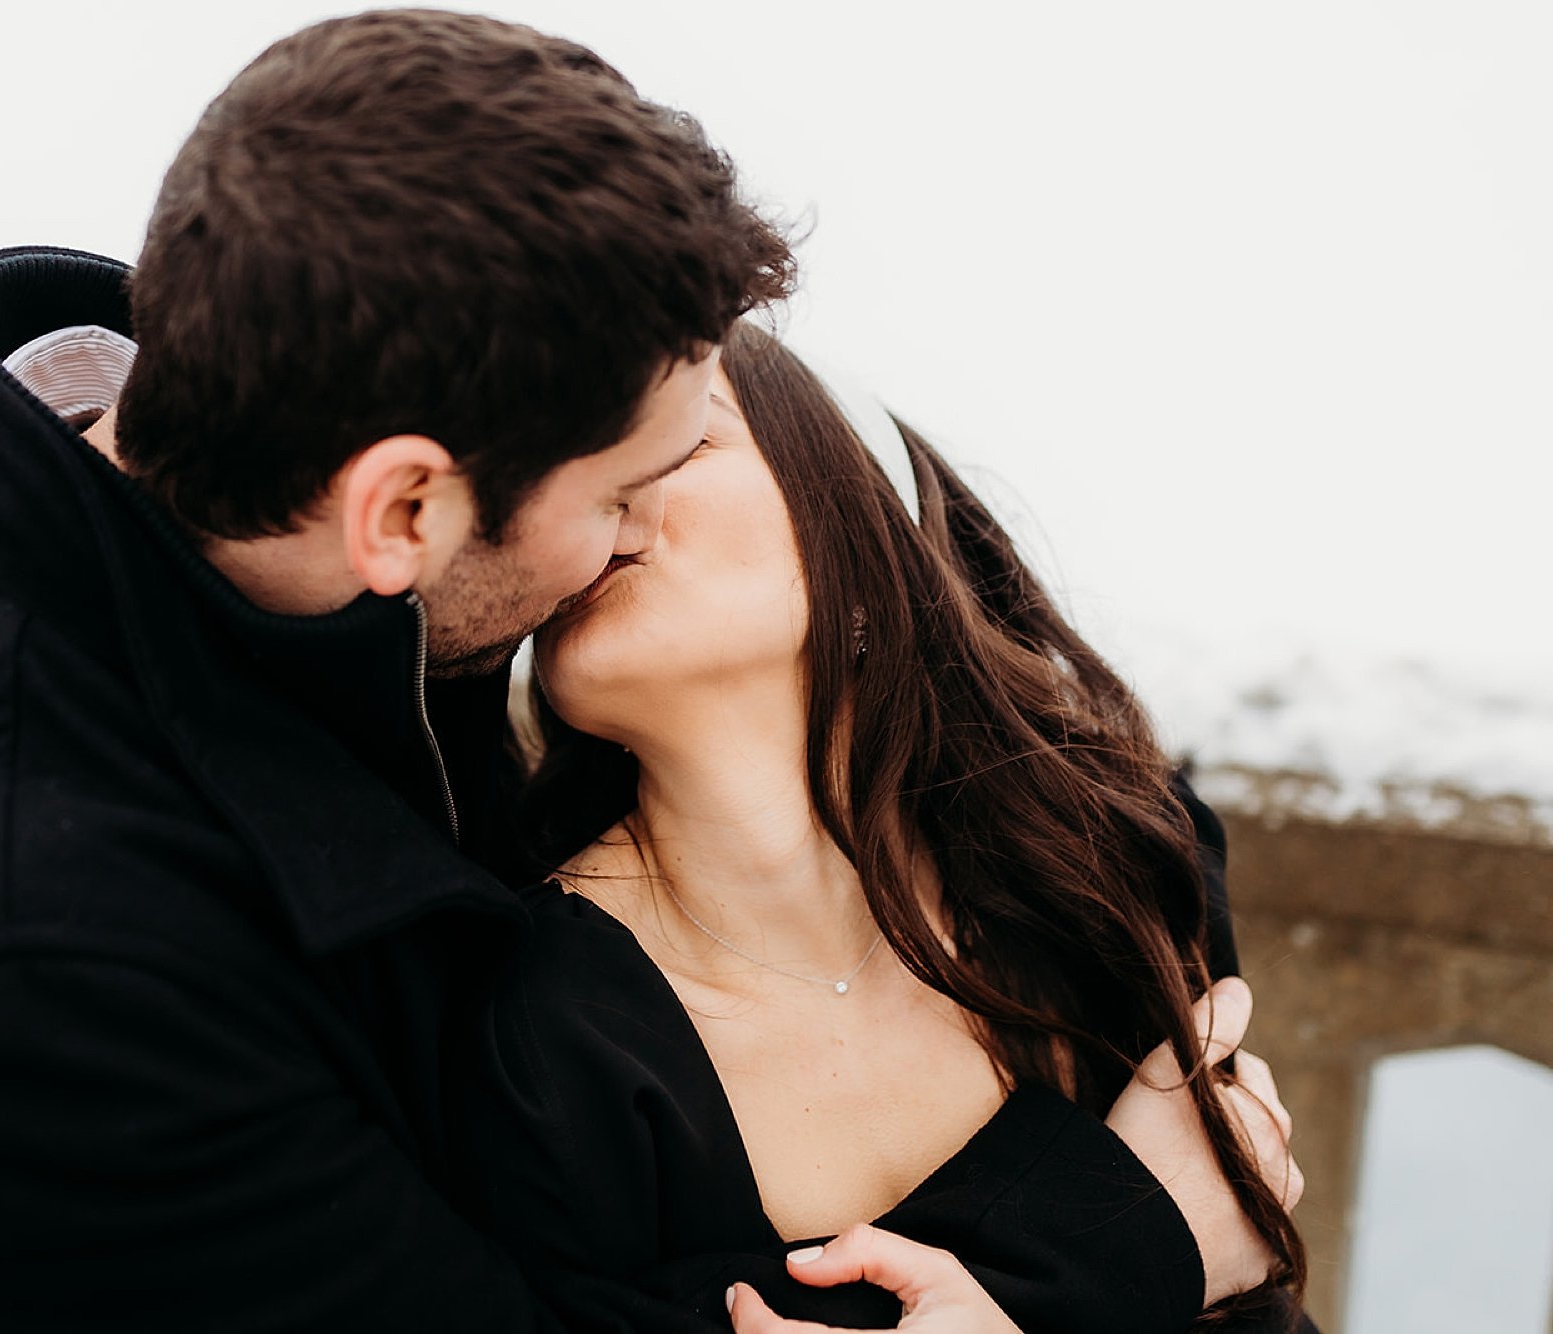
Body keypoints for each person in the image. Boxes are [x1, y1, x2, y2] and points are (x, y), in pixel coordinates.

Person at [0, 10, 1296, 1333]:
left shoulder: (272, 508)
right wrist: (1114, 1237)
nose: (626, 538)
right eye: (617, 492)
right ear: (405, 507)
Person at [452, 322, 1314, 1332]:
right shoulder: (526, 1031)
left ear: (858, 526)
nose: (594, 504)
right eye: (568, 473)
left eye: (674, 444)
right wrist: (1126, 1244)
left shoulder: (1103, 870)